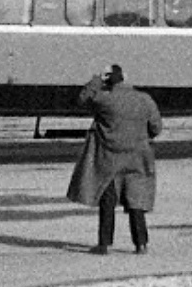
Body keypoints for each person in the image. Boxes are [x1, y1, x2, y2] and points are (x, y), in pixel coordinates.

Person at [67, 64, 161, 255]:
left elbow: (82, 99)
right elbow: (156, 128)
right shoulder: (145, 100)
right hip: (138, 158)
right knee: (137, 201)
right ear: (125, 78)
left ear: (109, 80)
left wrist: (96, 80)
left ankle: (104, 244)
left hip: (109, 159)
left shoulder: (104, 100)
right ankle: (141, 244)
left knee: (107, 201)